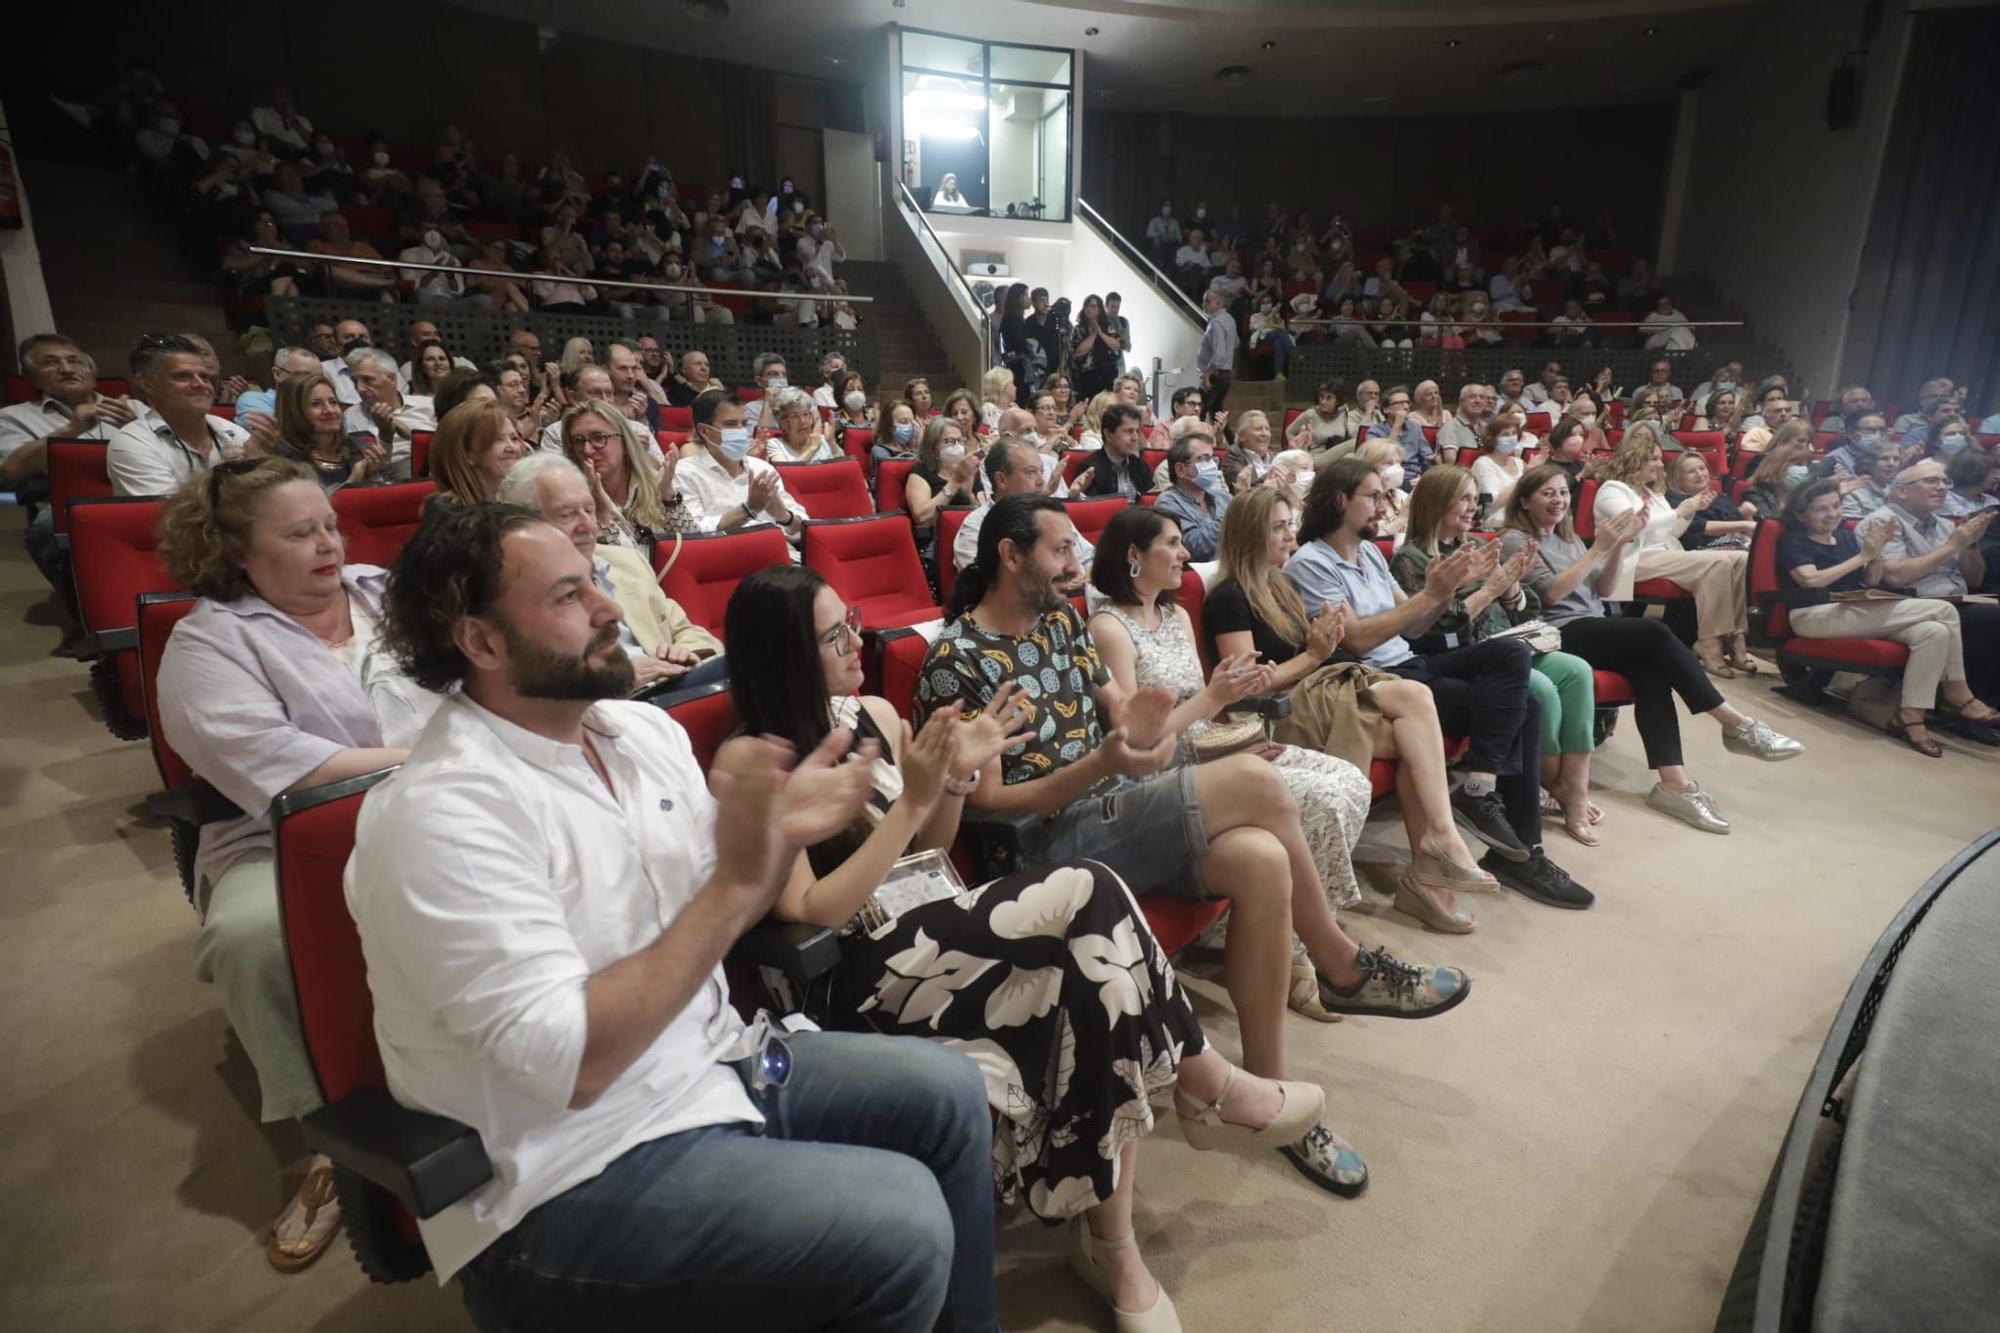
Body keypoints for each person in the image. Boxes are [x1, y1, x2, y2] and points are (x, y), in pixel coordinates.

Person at [349, 504, 998, 1330]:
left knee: (950, 1093)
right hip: (570, 1168)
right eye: (567, 596)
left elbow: (717, 906)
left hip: (713, 1067)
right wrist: (737, 880)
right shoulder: (440, 814)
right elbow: (573, 1062)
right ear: (480, 642)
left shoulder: (637, 730)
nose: (611, 605)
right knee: (900, 1224)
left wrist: (773, 838)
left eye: (595, 579)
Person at [728, 566, 1338, 1329]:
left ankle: (1115, 1242)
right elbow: (807, 908)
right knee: (1087, 887)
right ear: (786, 654)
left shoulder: (876, 711)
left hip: (939, 926)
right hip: (858, 968)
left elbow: (933, 850)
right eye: (833, 634)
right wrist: (919, 794)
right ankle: (1203, 1081)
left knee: (1099, 965)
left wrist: (953, 781)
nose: (858, 638)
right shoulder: (759, 759)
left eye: (851, 618)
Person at [919, 495, 1417, 1198]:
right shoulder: (958, 657)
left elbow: (1131, 725)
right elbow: (991, 805)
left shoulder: (1061, 622)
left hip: (1108, 807)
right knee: (1255, 783)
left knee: (1262, 857)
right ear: (1010, 553)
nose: (1074, 565)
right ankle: (1338, 961)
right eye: (1060, 549)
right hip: (1043, 849)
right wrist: (1106, 764)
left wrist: (1193, 706)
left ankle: (1264, 1094)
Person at [155, 458, 428, 1275]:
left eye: (330, 526)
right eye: (300, 532)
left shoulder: (384, 594)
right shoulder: (208, 641)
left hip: (440, 806)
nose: (328, 545)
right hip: (283, 838)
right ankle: (334, 1143)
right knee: (249, 936)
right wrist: (431, 756)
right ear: (238, 549)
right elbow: (282, 766)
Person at [1090, 505, 1459, 972]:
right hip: (1171, 763)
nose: (1184, 553)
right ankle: (1289, 944)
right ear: (1133, 555)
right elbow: (1137, 738)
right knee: (1323, 797)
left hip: (1217, 739)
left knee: (1349, 779)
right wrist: (1215, 695)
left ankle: (1294, 929)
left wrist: (1238, 686)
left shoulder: (1175, 615)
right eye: (1171, 543)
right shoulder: (1108, 628)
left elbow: (1213, 699)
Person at [1205, 486, 1583, 911]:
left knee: (1426, 730)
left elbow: (1390, 633)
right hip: (1292, 707)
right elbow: (1244, 689)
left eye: (1288, 524)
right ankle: (1439, 855)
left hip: (1327, 686)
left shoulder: (1281, 584)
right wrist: (1315, 653)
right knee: (1415, 698)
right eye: (1277, 527)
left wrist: (1322, 645)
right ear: (1249, 534)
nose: (1287, 535)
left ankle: (1434, 863)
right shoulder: (1230, 596)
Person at [1498, 465, 1802, 834]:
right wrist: (1598, 547)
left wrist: (1617, 547)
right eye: (1547, 493)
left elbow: (1605, 590)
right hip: (1556, 632)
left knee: (1650, 670)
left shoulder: (1570, 540)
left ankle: (1674, 784)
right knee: (1654, 632)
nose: (1558, 500)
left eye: (1563, 492)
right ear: (1525, 501)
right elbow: (1550, 594)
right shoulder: (1516, 539)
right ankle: (1734, 723)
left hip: (1592, 625)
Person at [1394, 468, 1602, 845]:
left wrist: (1511, 590)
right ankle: (1558, 789)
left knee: (1578, 671)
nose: (1472, 508)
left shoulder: (1474, 545)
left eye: (1475, 499)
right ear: (1437, 502)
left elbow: (1527, 609)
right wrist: (1491, 590)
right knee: (1539, 690)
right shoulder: (1412, 558)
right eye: (1464, 499)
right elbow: (1436, 632)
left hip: (1511, 640)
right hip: (1472, 654)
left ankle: (1577, 790)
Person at [1778, 479, 2000, 756]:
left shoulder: (1845, 537)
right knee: (1943, 610)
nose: (1832, 514)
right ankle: (1958, 691)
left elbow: (1871, 580)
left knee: (1934, 632)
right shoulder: (1793, 539)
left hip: (1852, 609)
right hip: (1813, 615)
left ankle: (1911, 717)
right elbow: (1811, 581)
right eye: (1821, 509)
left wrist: (1876, 557)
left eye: (1836, 506)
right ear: (1801, 514)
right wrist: (1863, 556)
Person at [500, 453, 726, 693]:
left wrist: (684, 653)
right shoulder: (516, 592)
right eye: (567, 515)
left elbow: (687, 630)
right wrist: (614, 680)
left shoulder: (627, 561)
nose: (586, 524)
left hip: (675, 687)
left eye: (589, 510)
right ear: (523, 524)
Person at [1592, 425, 1755, 675]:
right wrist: (1680, 510)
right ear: (1636, 460)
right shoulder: (1612, 490)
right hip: (1630, 558)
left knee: (1741, 559)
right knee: (1717, 562)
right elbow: (1635, 525)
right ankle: (1710, 643)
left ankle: (1736, 636)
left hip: (1665, 552)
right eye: (1654, 459)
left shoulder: (1652, 492)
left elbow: (1672, 531)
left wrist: (1690, 512)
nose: (1660, 465)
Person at [1869, 460, 2000, 704]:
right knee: (1990, 617)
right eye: (1931, 481)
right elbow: (1895, 576)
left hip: (1958, 599)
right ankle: (1959, 705)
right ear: (1902, 491)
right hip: (1910, 604)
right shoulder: (1884, 522)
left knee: (1988, 611)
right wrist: (1952, 546)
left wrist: (1971, 544)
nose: (1942, 487)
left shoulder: (1946, 524)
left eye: (1945, 481)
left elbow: (1975, 578)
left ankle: (1990, 701)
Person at [108, 334, 251, 495]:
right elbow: (172, 516)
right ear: (147, 384)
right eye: (182, 376)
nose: (200, 384)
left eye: (204, 377)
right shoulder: (132, 443)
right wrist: (234, 473)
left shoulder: (233, 432)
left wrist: (259, 462)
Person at [676, 389, 806, 543]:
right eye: (730, 424)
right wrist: (748, 509)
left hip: (779, 555)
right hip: (728, 557)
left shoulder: (762, 469)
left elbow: (804, 530)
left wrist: (784, 517)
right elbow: (693, 533)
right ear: (705, 431)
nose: (740, 431)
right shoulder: (685, 472)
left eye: (744, 424)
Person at [956, 437, 1096, 577]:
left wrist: (1085, 579)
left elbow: (1091, 559)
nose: (1041, 481)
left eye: (1042, 471)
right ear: (1002, 480)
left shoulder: (1051, 515)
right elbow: (980, 584)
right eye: (1031, 472)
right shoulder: (975, 525)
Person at [559, 401, 691, 545]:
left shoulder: (654, 482)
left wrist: (668, 496)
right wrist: (600, 508)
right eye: (578, 441)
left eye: (598, 438)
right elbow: (618, 562)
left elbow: (694, 546)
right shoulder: (571, 502)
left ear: (625, 441)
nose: (587, 450)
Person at [270, 370, 386, 492]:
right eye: (316, 404)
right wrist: (351, 483)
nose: (330, 410)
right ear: (293, 412)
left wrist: (373, 474)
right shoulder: (282, 461)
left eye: (333, 402)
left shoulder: (358, 446)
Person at [342, 348, 433, 481]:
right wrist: (385, 434)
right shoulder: (351, 416)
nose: (359, 388)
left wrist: (412, 436)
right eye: (354, 381)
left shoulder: (428, 406)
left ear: (391, 378)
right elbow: (362, 469)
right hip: (383, 484)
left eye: (368, 380)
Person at [1153, 429, 1232, 560]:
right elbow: (1193, 548)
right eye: (1204, 459)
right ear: (1181, 469)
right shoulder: (1168, 503)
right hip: (1200, 575)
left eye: (1213, 459)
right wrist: (1233, 515)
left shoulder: (1223, 497)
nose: (1212, 465)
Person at [429, 400, 527, 506]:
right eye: (497, 439)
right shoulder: (449, 514)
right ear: (466, 454)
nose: (512, 447)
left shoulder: (525, 500)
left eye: (514, 438)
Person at [902, 415, 983, 543]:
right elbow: (922, 518)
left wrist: (969, 494)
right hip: (938, 541)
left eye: (960, 440)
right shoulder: (921, 472)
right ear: (934, 448)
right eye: (949, 441)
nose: (957, 446)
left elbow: (983, 515)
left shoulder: (969, 471)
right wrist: (954, 483)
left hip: (971, 536)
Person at [1665, 451, 1755, 551]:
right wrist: (1745, 525)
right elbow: (1700, 527)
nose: (1699, 474)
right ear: (1678, 478)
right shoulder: (1674, 500)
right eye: (1691, 472)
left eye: (1702, 468)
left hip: (1736, 545)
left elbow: (1747, 532)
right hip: (1701, 550)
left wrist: (1747, 515)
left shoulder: (1720, 498)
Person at [1072, 403, 1153, 498]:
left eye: (1137, 431)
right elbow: (1094, 509)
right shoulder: (1089, 470)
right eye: (1128, 431)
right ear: (1108, 435)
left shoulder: (1139, 465)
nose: (1135, 438)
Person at [1741, 421, 1815, 519]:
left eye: (1808, 442)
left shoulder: (1805, 496)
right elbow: (1769, 526)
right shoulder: (1758, 493)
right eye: (1801, 441)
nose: (1805, 446)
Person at [1468, 415, 1529, 526]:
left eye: (1514, 433)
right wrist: (1524, 479)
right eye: (1505, 434)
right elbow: (1492, 504)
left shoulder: (1519, 463)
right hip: (1498, 524)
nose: (1511, 438)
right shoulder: (1483, 464)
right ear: (1492, 438)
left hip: (1524, 520)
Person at [762, 387, 840, 465]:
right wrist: (812, 448)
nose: (803, 421)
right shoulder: (775, 444)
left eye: (806, 414)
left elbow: (844, 469)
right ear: (781, 421)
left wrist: (832, 444)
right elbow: (785, 473)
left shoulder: (823, 439)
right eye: (794, 416)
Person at [1196, 288, 1238, 417]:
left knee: (1197, 412)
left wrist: (1207, 375)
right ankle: (1230, 438)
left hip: (1215, 375)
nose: (1204, 305)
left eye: (1207, 302)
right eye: (1203, 302)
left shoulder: (1216, 323)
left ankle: (1198, 436)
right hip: (1224, 375)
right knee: (1216, 415)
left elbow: (1219, 354)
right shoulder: (1229, 319)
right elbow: (1236, 343)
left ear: (1219, 304)